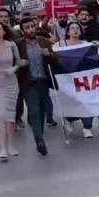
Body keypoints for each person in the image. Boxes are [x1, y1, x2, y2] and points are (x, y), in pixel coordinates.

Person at [0, 19, 26, 161]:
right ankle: (2, 148)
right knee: (1, 115)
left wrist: (13, 68)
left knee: (11, 115)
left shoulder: (11, 45)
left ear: (4, 31)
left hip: (11, 82)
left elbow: (19, 62)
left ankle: (11, 146)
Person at [16, 17, 59, 156]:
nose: (31, 29)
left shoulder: (43, 41)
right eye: (27, 27)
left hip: (43, 81)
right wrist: (19, 63)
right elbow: (13, 61)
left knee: (42, 111)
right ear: (23, 30)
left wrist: (49, 54)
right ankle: (39, 140)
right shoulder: (19, 45)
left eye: (32, 26)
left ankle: (38, 130)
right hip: (28, 83)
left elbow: (57, 57)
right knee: (34, 110)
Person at [58, 21, 95, 139]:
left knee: (87, 102)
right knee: (72, 102)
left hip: (84, 79)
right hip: (68, 79)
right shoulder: (61, 44)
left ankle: (87, 127)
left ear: (80, 31)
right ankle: (69, 118)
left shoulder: (85, 44)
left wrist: (95, 46)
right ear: (68, 32)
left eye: (77, 28)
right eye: (72, 28)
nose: (75, 30)